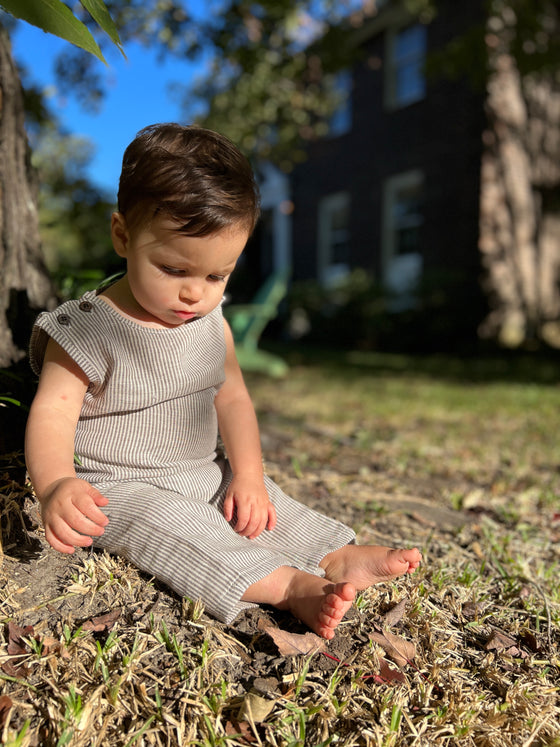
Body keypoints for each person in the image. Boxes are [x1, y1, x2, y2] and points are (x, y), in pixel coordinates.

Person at [25, 123, 421, 640]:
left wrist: (249, 474)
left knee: (259, 505)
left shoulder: (211, 326)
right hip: (118, 485)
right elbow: (52, 412)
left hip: (198, 469)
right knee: (178, 529)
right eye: (172, 268)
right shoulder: (88, 328)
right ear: (123, 236)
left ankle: (336, 555)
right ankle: (287, 587)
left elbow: (232, 398)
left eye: (216, 277)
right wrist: (57, 483)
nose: (195, 294)